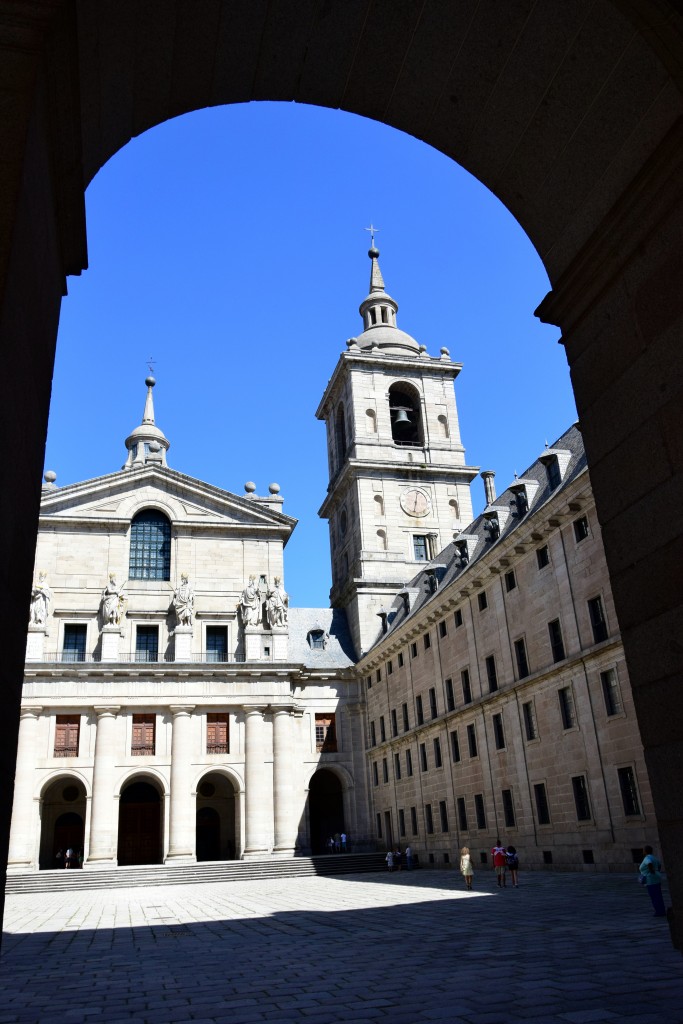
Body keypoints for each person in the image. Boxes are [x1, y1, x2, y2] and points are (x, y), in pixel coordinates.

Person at [639, 845, 666, 917]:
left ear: (645, 851)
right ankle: (661, 910)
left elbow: (649, 863)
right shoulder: (654, 857)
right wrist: (656, 871)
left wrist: (651, 871)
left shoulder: (647, 858)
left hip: (650, 880)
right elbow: (659, 865)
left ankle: (659, 912)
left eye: (643, 850)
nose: (643, 851)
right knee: (658, 895)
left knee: (654, 896)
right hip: (656, 878)